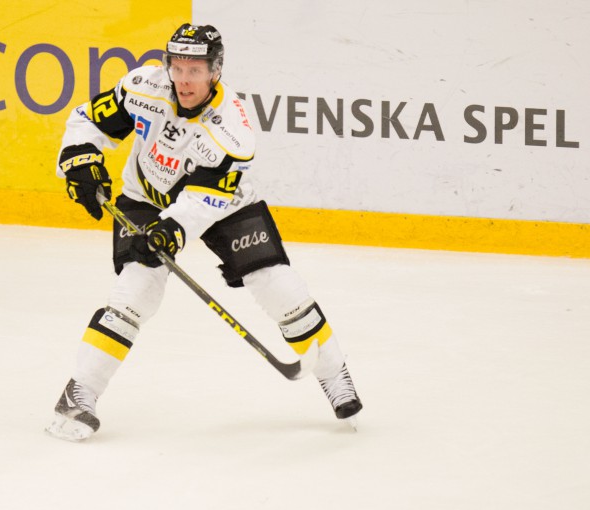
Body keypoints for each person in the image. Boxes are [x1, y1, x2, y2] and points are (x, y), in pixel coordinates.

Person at [45, 23, 363, 441]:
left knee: (277, 284)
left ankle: (334, 375)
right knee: (135, 289)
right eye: (176, 67)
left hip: (222, 205)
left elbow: (203, 201)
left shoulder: (231, 129)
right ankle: (79, 393)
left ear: (215, 70)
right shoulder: (143, 86)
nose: (183, 79)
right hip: (146, 197)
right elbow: (88, 120)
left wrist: (172, 230)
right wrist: (80, 159)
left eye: (194, 69)